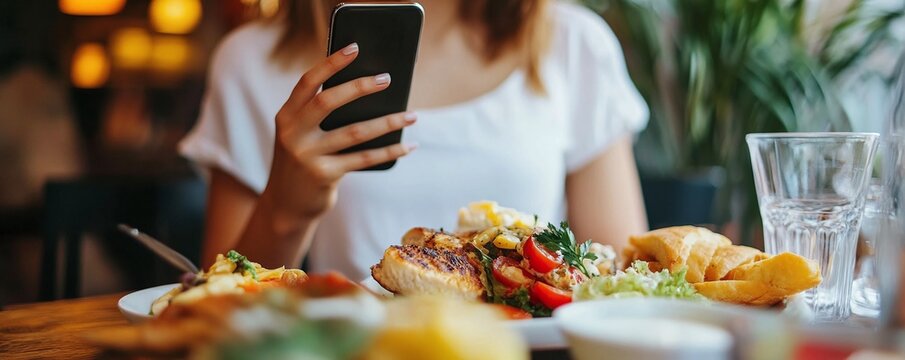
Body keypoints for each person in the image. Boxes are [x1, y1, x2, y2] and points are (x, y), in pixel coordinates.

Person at [179, 0, 649, 281]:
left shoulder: (573, 43)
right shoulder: (250, 62)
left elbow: (622, 285)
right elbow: (215, 314)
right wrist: (285, 209)